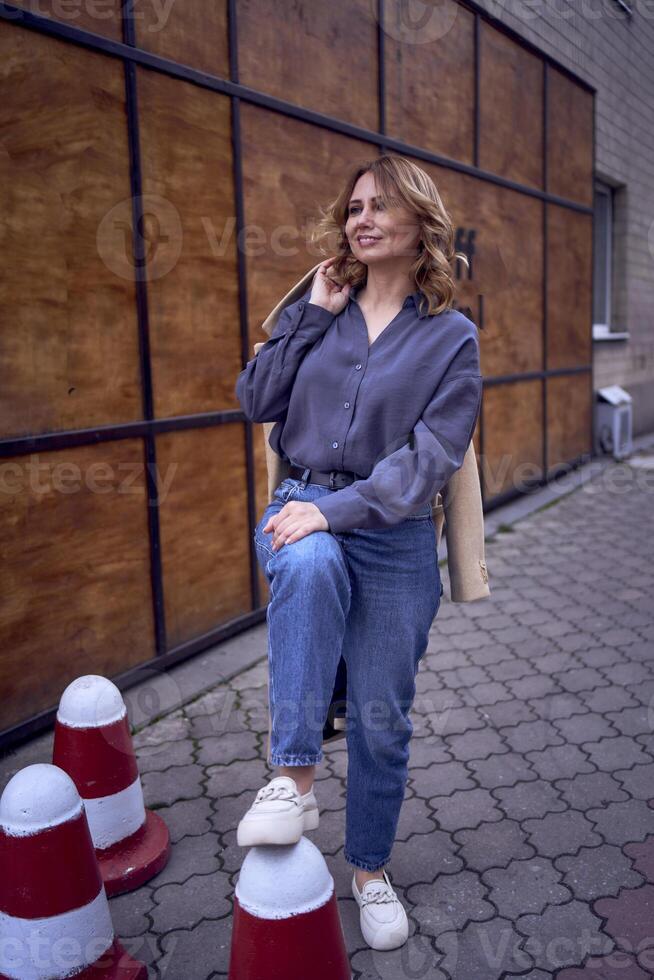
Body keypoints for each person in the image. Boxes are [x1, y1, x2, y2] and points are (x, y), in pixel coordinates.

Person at [234, 153, 482, 951]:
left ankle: (370, 872)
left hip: (391, 534)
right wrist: (310, 312)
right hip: (301, 503)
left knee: (383, 719)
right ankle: (294, 778)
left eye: (380, 207)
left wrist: (332, 511)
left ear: (421, 226)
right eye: (353, 209)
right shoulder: (322, 311)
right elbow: (253, 400)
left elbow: (427, 462)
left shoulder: (453, 339)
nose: (360, 220)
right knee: (305, 562)